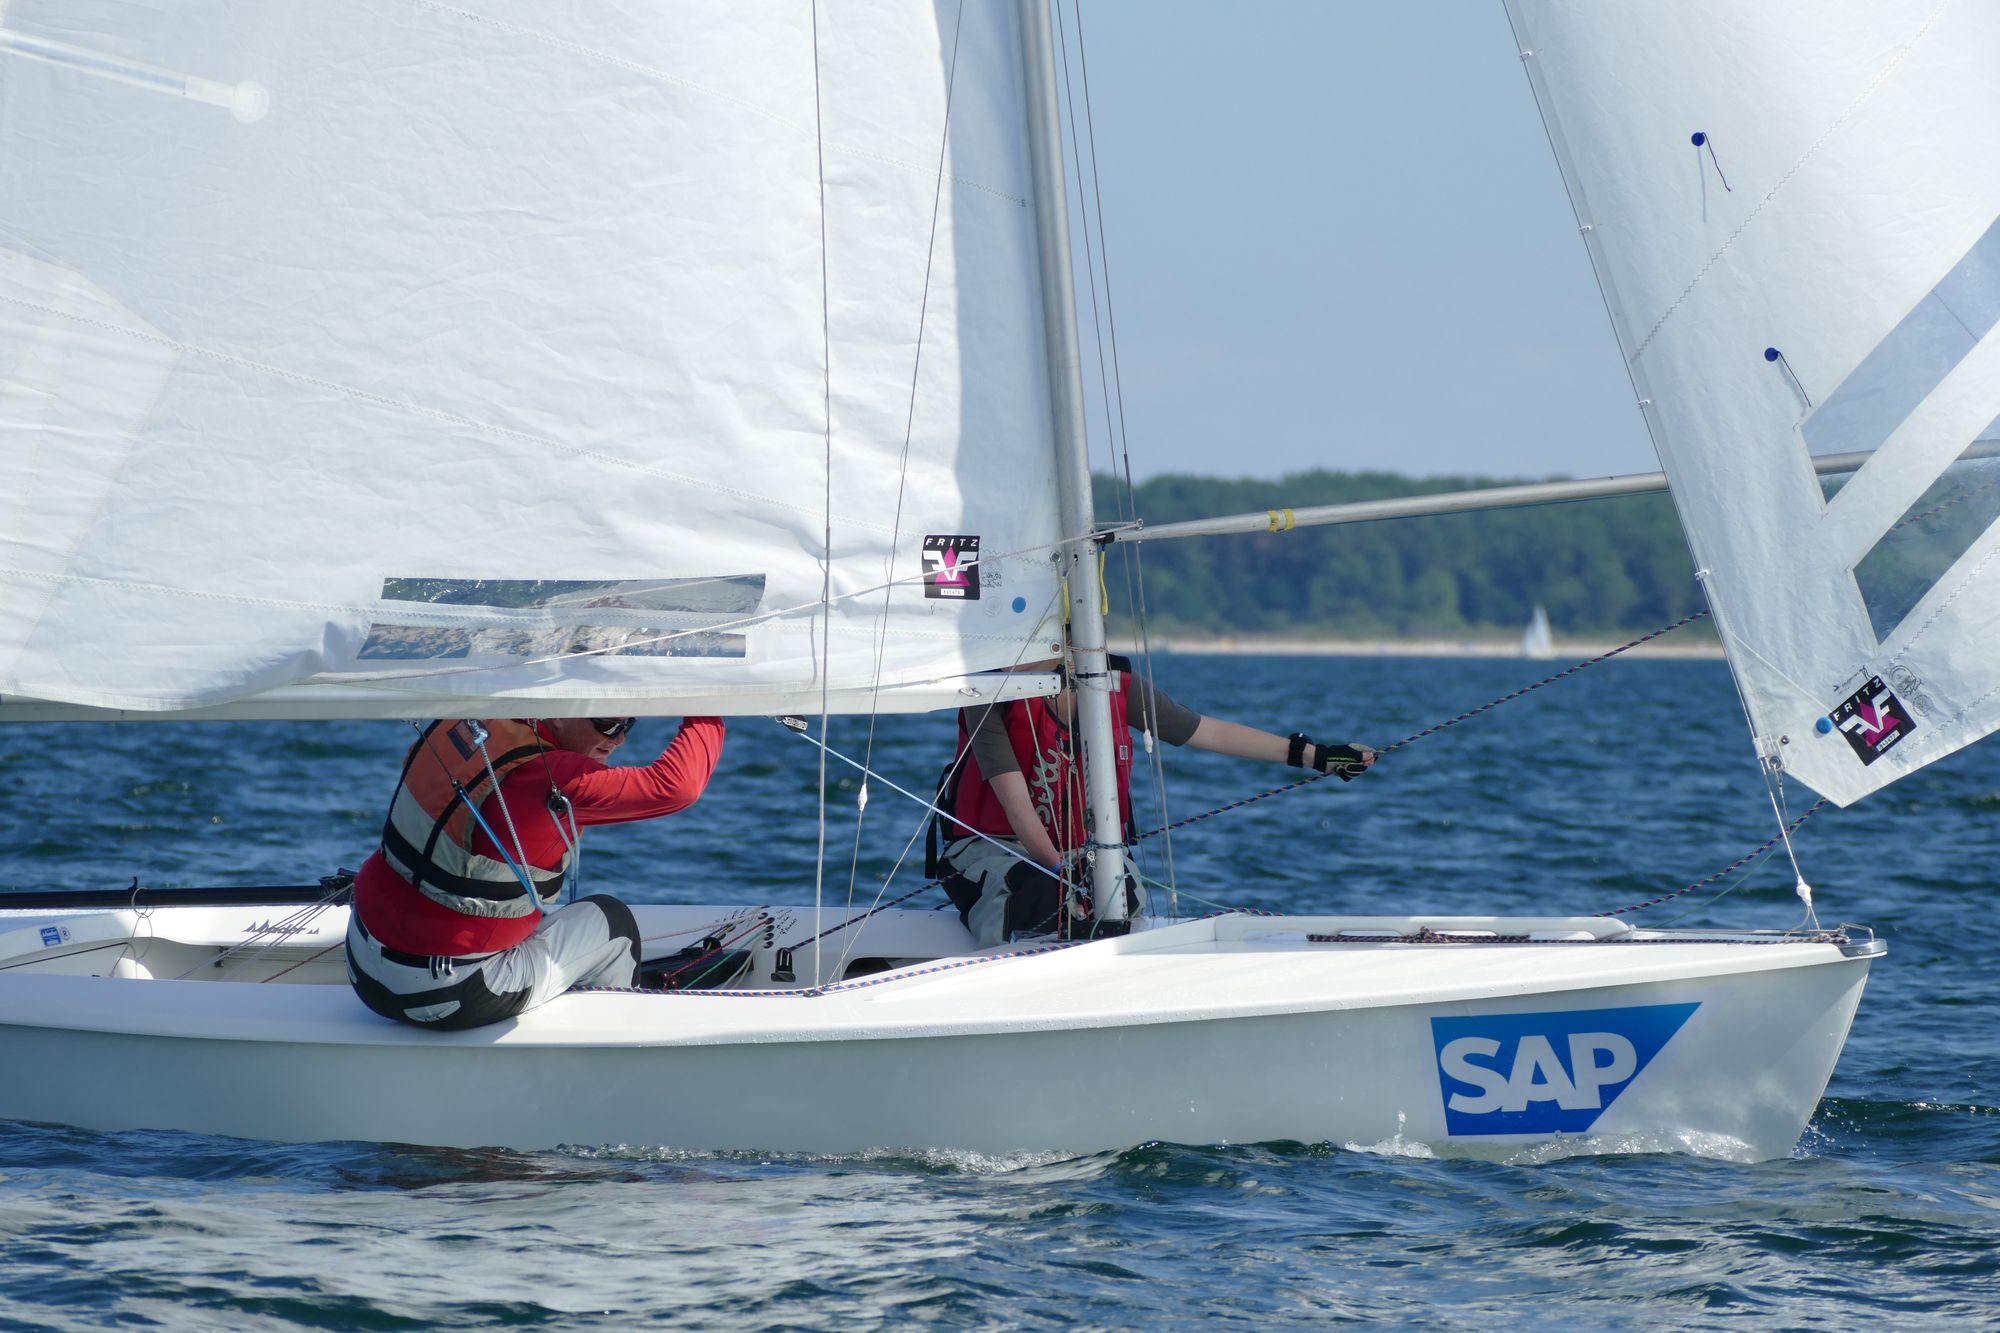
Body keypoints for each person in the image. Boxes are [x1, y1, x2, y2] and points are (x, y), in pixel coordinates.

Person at [936, 658, 1374, 946]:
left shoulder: (1111, 685)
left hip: (1083, 857)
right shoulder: (991, 693)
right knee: (1034, 895)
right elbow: (1016, 804)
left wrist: (1315, 757)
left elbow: (1206, 731)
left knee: (1119, 895)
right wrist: (1061, 872)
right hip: (993, 850)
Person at [345, 714, 725, 1029]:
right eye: (607, 724)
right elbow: (677, 788)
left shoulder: (460, 723)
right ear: (559, 713)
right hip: (449, 995)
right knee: (613, 921)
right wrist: (707, 708)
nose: (619, 739)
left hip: (362, 966)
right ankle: (611, 1051)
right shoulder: (552, 776)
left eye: (628, 725)